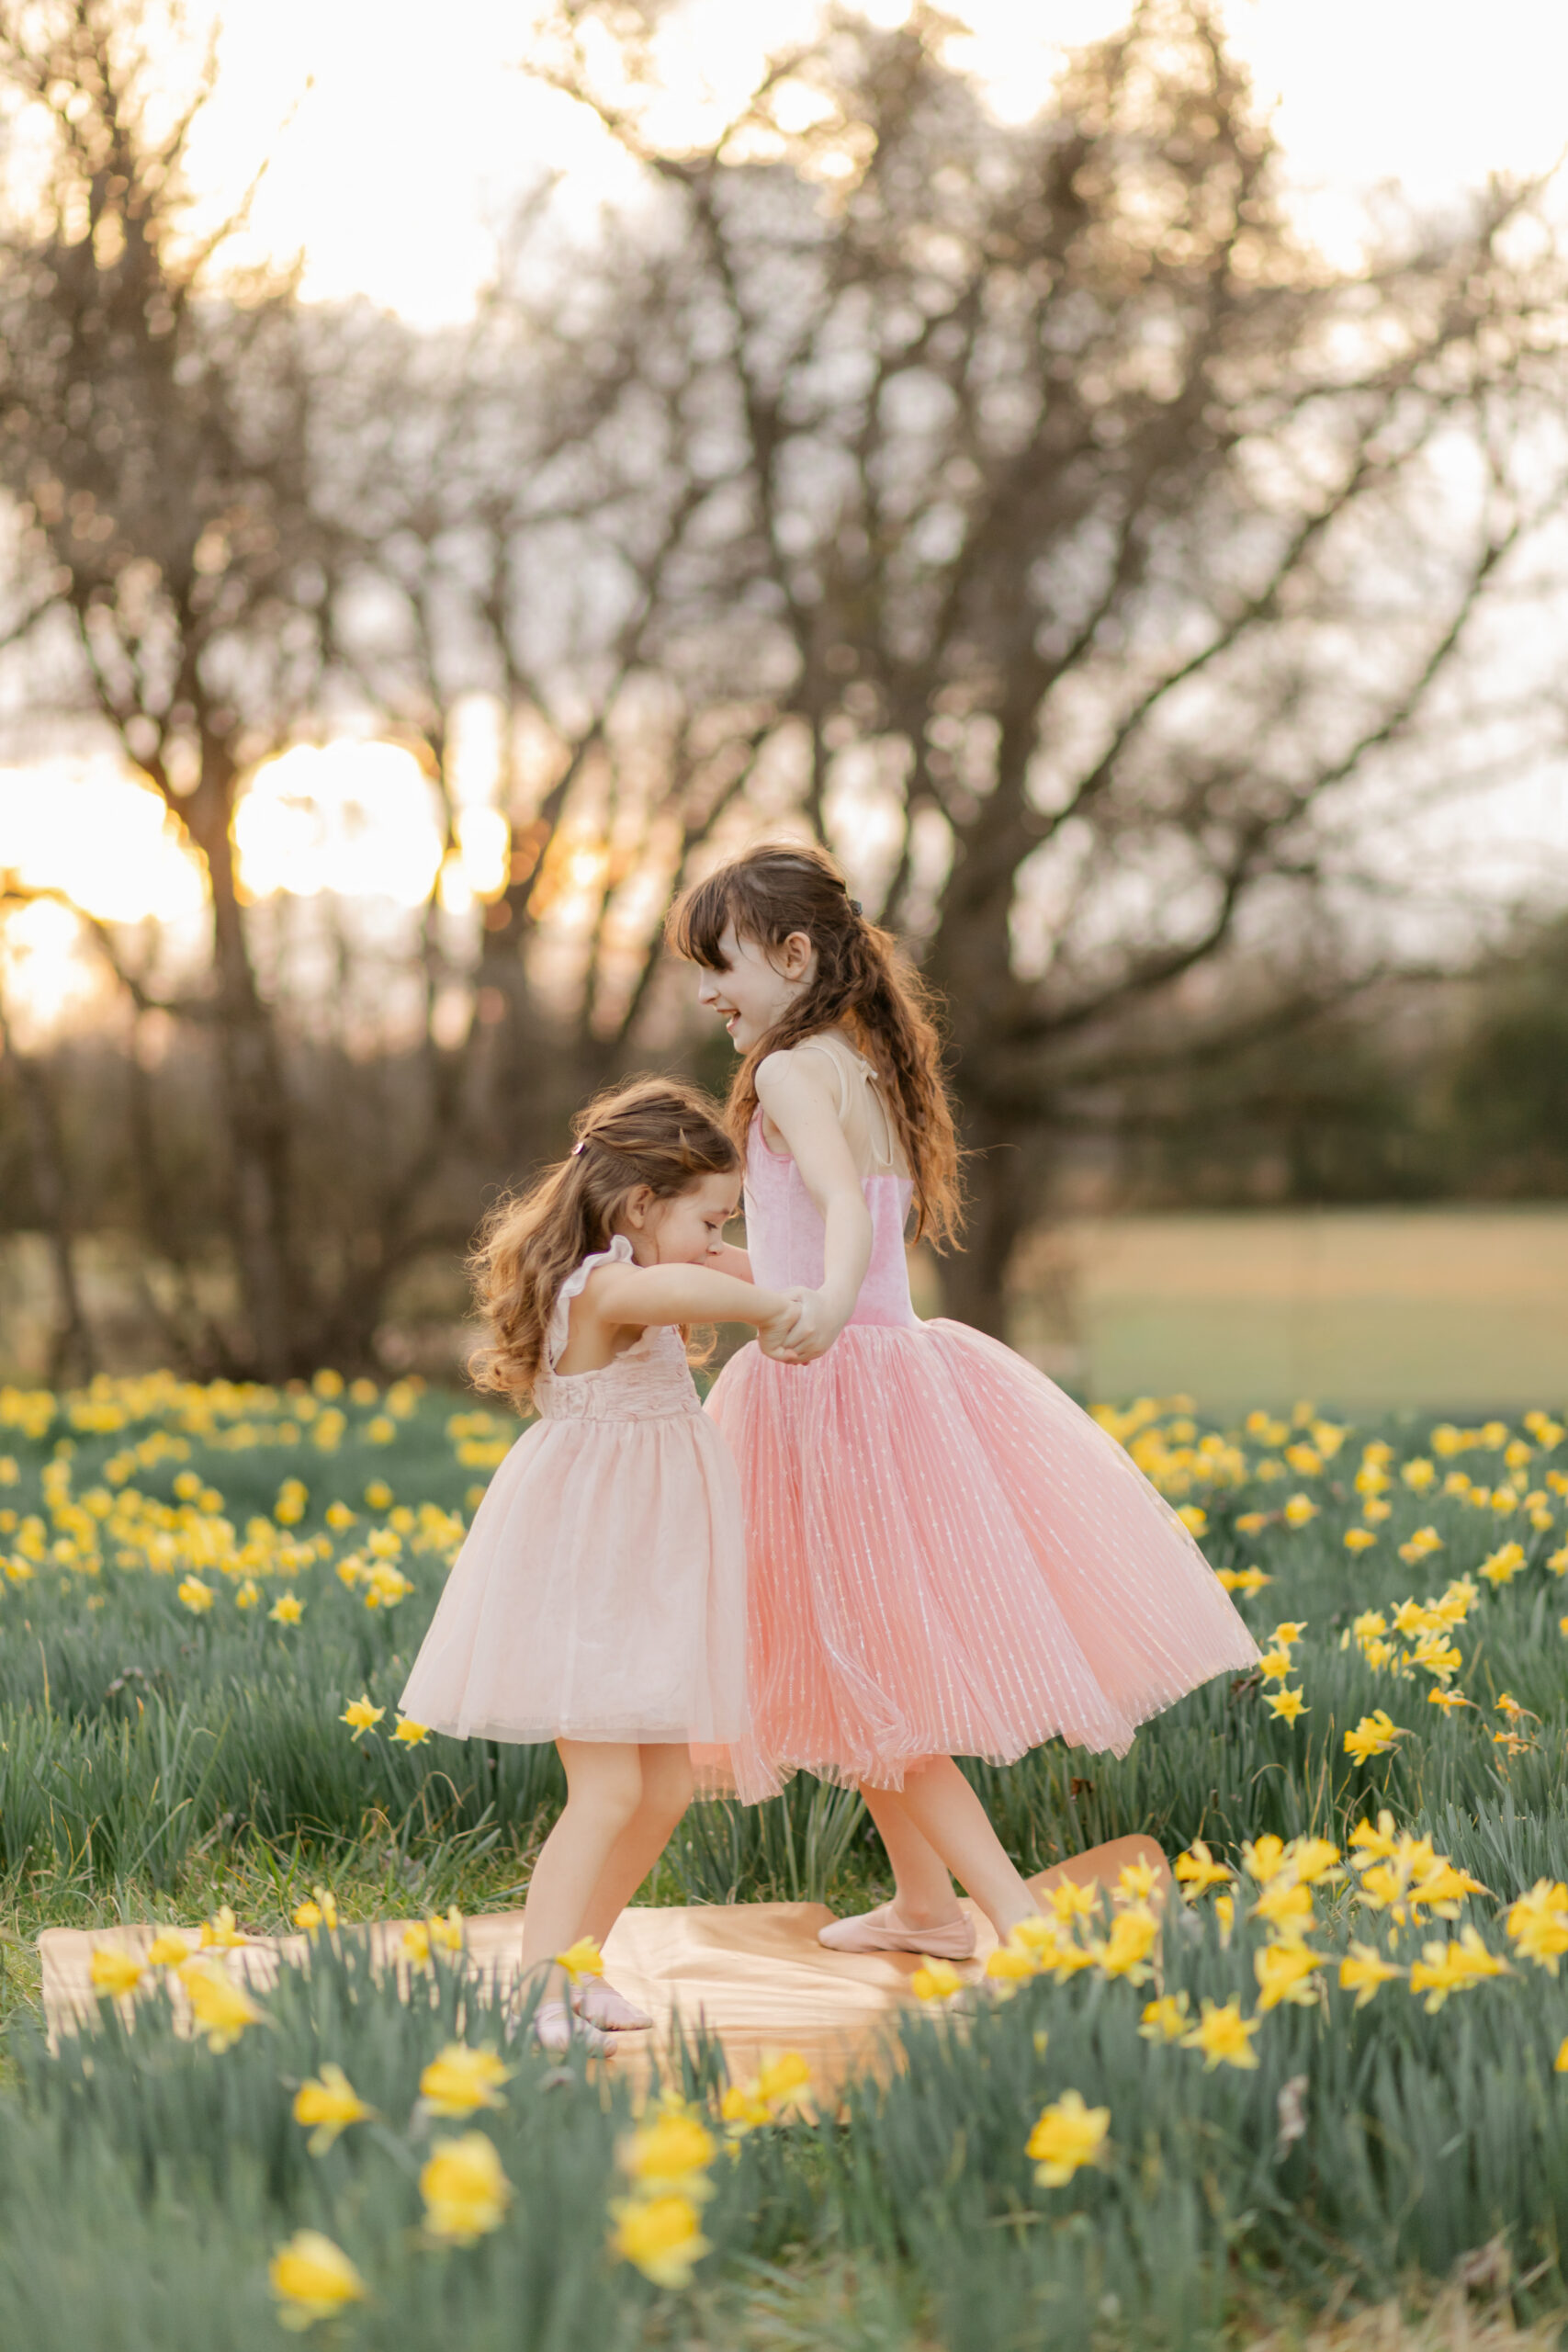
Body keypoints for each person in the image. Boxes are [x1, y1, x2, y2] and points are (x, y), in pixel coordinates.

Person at [669, 842, 1259, 1959]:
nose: (708, 992)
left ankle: (1017, 1919)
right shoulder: (865, 1064)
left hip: (831, 1395)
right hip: (893, 1375)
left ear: (794, 957)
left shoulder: (794, 1069)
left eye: (722, 964)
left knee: (867, 1675)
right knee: (859, 1674)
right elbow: (807, 1249)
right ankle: (927, 1906)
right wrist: (696, 1284)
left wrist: (826, 1303)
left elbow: (842, 1219)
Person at [398, 1077, 801, 2051]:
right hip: (586, 1572)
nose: (716, 1239)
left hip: (649, 1571)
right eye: (707, 1219)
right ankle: (534, 1991)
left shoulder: (656, 1264)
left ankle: (579, 1965)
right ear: (637, 1207)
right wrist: (766, 1300)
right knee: (609, 1791)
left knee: (664, 1789)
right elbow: (690, 1285)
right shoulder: (605, 1286)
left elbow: (738, 1267)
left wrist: (818, 1277)